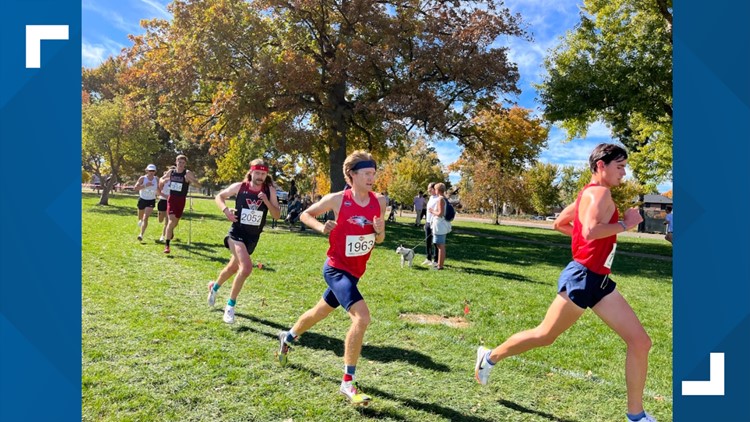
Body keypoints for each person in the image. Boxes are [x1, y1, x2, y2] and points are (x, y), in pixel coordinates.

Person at [474, 143, 654, 422]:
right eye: (620, 167)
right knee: (545, 335)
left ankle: (636, 416)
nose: (624, 173)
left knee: (640, 342)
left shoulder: (586, 193)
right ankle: (489, 357)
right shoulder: (600, 193)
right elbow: (592, 230)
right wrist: (624, 224)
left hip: (599, 280)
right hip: (583, 278)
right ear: (601, 166)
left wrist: (586, 242)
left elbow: (560, 223)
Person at [276, 150, 386, 406]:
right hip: (336, 269)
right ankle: (348, 382)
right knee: (362, 317)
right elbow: (305, 215)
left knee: (320, 311)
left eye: (373, 173)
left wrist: (380, 232)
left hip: (356, 271)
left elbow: (379, 239)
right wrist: (320, 227)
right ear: (352, 175)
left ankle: (288, 336)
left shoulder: (378, 202)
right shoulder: (338, 199)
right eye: (367, 173)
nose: (372, 178)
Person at [207, 159, 281, 324]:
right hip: (236, 233)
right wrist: (226, 211)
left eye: (264, 173)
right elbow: (220, 196)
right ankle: (230, 306)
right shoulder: (240, 186)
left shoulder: (270, 190)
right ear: (251, 172)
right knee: (246, 268)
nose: (261, 176)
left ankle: (214, 287)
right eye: (258, 173)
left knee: (233, 267)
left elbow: (277, 215)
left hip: (253, 237)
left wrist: (266, 201)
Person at [160, 155, 201, 254]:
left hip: (181, 200)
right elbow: (161, 179)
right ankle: (167, 245)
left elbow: (198, 185)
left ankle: (170, 232)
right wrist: (163, 181)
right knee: (170, 221)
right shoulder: (171, 172)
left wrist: (190, 180)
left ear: (185, 164)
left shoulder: (187, 173)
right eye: (179, 162)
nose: (181, 164)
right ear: (176, 162)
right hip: (172, 199)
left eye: (183, 163)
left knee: (175, 222)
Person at [134, 164, 159, 241]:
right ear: (147, 171)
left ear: (155, 171)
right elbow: (136, 188)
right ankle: (140, 221)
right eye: (150, 170)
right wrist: (145, 185)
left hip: (151, 200)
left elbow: (159, 188)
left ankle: (141, 234)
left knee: (146, 217)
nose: (151, 172)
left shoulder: (157, 179)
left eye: (153, 171)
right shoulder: (142, 178)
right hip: (142, 199)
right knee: (140, 218)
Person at [428, 183, 449, 270]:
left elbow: (440, 214)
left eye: (435, 189)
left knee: (440, 246)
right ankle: (439, 264)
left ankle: (440, 266)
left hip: (440, 225)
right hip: (442, 224)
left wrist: (432, 211)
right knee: (440, 245)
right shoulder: (444, 199)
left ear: (437, 190)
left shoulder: (440, 199)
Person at [422, 183, 439, 267]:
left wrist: (433, 222)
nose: (428, 190)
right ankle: (428, 258)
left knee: (435, 242)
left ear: (433, 188)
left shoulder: (438, 198)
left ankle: (436, 260)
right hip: (428, 222)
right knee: (428, 241)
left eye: (429, 188)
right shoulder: (431, 198)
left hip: (434, 223)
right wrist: (426, 223)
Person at [156, 167, 173, 242]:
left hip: (171, 202)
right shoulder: (164, 180)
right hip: (162, 200)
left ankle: (163, 236)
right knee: (160, 220)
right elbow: (158, 189)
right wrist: (165, 196)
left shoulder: (176, 181)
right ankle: (160, 214)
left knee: (168, 220)